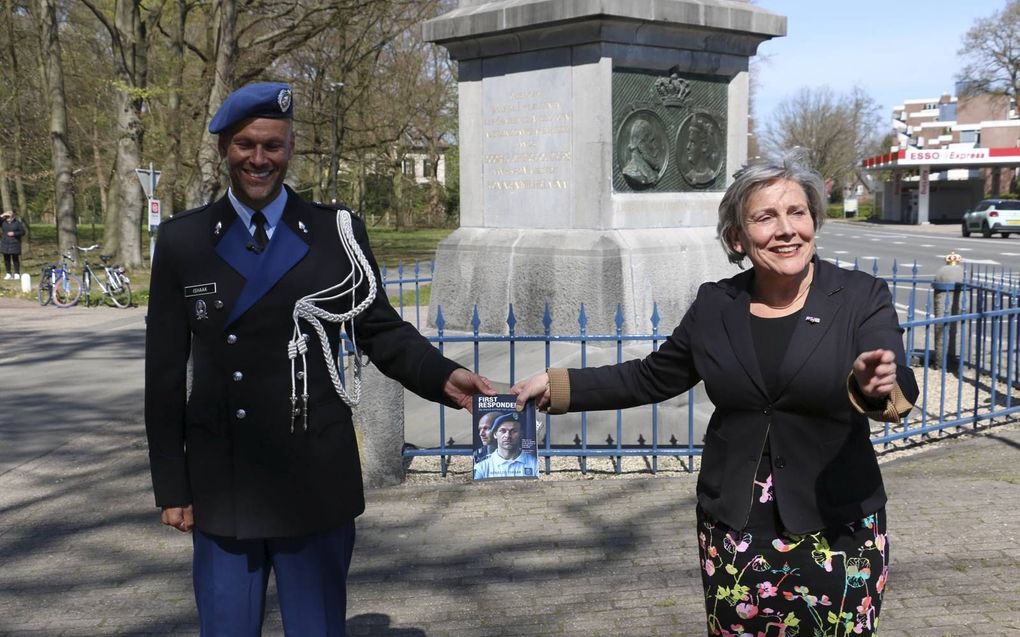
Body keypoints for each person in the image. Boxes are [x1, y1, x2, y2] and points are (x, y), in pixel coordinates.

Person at [512, 155, 919, 636]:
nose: (787, 230)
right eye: (765, 217)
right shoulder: (714, 305)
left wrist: (878, 385)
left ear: (814, 220)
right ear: (737, 238)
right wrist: (558, 385)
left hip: (837, 529)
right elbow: (650, 377)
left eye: (798, 212)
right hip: (736, 530)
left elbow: (892, 374)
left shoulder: (859, 295)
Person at [144, 81, 493, 637]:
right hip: (223, 480)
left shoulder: (337, 233)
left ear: (290, 149)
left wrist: (443, 374)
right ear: (223, 150)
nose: (259, 159)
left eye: (273, 146)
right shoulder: (184, 241)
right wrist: (173, 485)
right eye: (246, 145)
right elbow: (163, 372)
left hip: (313, 477)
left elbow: (381, 330)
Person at [472, 414, 538, 479]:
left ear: (521, 434)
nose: (507, 436)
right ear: (495, 434)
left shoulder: (533, 463)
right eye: (503, 431)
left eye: (513, 431)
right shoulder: (482, 466)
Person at [621, 118, 663, 186]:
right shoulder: (632, 173)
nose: (655, 146)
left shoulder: (651, 172)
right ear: (641, 145)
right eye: (651, 141)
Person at [1, 210, 25, 280]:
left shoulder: (17, 223)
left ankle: (17, 273)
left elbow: (23, 232)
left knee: (15, 259)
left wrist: (14, 233)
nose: (7, 218)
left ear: (12, 216)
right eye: (6, 216)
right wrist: (2, 215)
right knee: (6, 259)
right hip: (5, 243)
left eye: (8, 216)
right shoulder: (3, 222)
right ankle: (8, 273)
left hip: (15, 243)